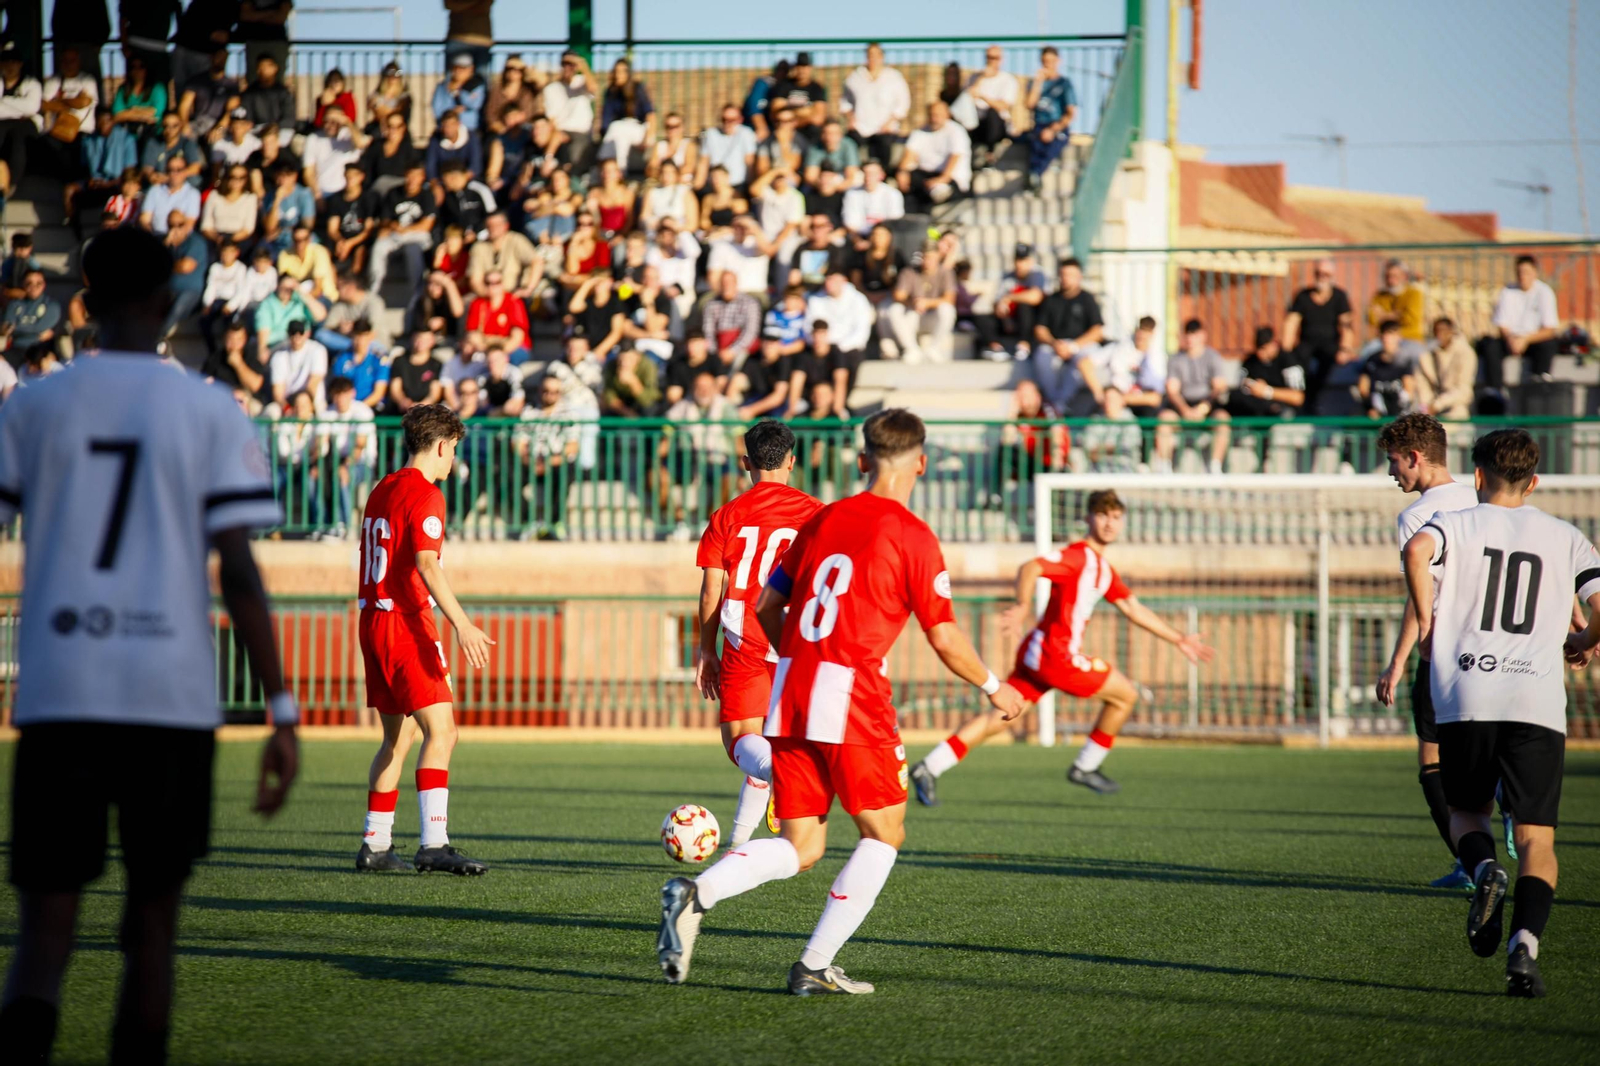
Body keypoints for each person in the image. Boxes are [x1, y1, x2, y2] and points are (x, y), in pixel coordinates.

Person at [0, 225, 298, 1066]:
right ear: (170, 302)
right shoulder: (207, 407)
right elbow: (239, 572)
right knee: (154, 928)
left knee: (46, 932)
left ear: (81, 301)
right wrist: (281, 711)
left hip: (60, 693)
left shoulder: (32, 403)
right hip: (169, 699)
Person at [657, 409, 1026, 995]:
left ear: (860, 462)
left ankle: (698, 892)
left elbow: (767, 609)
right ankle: (813, 964)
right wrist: (993, 686)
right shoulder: (912, 535)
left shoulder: (825, 521)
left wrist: (798, 661)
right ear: (922, 465)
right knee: (884, 833)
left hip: (790, 689)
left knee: (803, 845)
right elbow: (945, 635)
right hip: (852, 695)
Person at [1404, 428, 1600, 997]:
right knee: (1539, 839)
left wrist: (1425, 622)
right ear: (1534, 481)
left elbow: (1418, 551)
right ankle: (1524, 948)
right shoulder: (1566, 537)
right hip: (1536, 702)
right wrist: (1584, 639)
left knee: (1468, 815)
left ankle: (1485, 869)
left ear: (1478, 476)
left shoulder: (1458, 524)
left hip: (1467, 695)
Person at [911, 489, 1213, 802]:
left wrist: (1178, 638)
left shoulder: (1103, 570)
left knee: (1004, 712)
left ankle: (930, 767)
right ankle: (1086, 765)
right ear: (1088, 518)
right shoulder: (1079, 557)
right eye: (1102, 515)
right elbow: (1031, 567)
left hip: (1037, 652)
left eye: (1116, 517)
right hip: (1056, 655)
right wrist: (1023, 605)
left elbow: (1134, 609)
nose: (1110, 523)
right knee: (1126, 695)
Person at [355, 404, 495, 875]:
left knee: (398, 738)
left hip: (372, 622)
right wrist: (463, 624)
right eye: (454, 449)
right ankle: (434, 842)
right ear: (440, 446)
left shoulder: (383, 487)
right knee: (444, 731)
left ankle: (375, 844)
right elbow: (427, 563)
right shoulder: (426, 495)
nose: (453, 458)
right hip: (405, 625)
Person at [692, 420, 822, 847]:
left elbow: (714, 588)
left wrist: (705, 650)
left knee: (742, 743)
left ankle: (783, 774)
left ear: (745, 462)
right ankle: (738, 845)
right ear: (792, 460)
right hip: (796, 637)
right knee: (769, 742)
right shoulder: (817, 513)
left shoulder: (727, 515)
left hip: (745, 634)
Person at [1373, 413, 1483, 891]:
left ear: (1415, 457)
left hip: (1444, 655)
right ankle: (1507, 806)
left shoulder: (1417, 516)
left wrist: (1398, 663)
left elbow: (1422, 603)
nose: (1392, 472)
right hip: (1499, 652)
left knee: (1433, 762)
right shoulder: (1485, 498)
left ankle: (1471, 865)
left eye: (1394, 462)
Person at [1030, 257, 1104, 417]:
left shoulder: (1087, 299)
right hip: (1056, 345)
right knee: (1042, 355)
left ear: (1079, 277)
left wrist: (1074, 346)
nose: (1066, 278)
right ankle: (1054, 400)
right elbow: (1040, 329)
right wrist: (1055, 343)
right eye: (1063, 274)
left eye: (1070, 275)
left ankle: (1059, 404)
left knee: (1081, 361)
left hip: (1080, 345)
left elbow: (1097, 331)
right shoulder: (1051, 300)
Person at [1156, 318, 1231, 473]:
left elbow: (1218, 388)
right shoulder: (1176, 359)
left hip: (1207, 406)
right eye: (1188, 334)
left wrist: (1203, 408)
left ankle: (1215, 467)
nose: (1191, 339)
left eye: (1195, 334)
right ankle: (1164, 468)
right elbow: (1172, 390)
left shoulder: (1212, 357)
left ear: (1203, 335)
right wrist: (1185, 410)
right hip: (1182, 406)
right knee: (1164, 419)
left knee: (1223, 419)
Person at [1281, 257, 1356, 410]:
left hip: (1329, 346)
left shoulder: (1339, 297)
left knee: (1326, 363)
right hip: (1307, 344)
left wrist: (1345, 349)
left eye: (1326, 274)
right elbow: (1291, 323)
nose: (1322, 277)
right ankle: (1301, 403)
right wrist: (1285, 350)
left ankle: (1316, 403)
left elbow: (1347, 325)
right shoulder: (1302, 296)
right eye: (1318, 273)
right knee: (1297, 361)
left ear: (1332, 276)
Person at [1481, 255, 1559, 392]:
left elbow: (1549, 329)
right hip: (1511, 339)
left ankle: (1538, 383)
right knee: (1491, 346)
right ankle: (1494, 391)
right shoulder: (1507, 291)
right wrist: (1512, 339)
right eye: (1519, 273)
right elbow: (1502, 324)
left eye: (1526, 272)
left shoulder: (1545, 292)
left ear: (1535, 273)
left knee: (1548, 344)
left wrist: (1526, 339)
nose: (1522, 276)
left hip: (1534, 340)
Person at [371, 162, 439, 294]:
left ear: (422, 177)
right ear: (405, 176)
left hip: (417, 234)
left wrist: (406, 230)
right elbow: (384, 219)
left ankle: (418, 291)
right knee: (379, 246)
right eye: (410, 176)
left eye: (416, 176)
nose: (412, 180)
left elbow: (427, 225)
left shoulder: (427, 195)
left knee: (413, 249)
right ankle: (374, 287)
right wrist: (392, 225)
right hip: (396, 233)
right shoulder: (394, 193)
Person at [882, 245, 956, 363]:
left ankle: (934, 349)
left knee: (947, 309)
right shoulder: (909, 271)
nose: (928, 261)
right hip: (913, 314)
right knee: (894, 309)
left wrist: (927, 303)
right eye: (926, 257)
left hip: (932, 316)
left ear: (938, 257)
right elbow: (898, 295)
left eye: (932, 257)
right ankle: (911, 349)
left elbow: (950, 298)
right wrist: (914, 302)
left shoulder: (945, 272)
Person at [840, 43, 910, 167]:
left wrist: (891, 122)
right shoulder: (855, 77)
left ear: (882, 56)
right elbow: (845, 102)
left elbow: (903, 102)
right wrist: (851, 119)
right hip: (861, 128)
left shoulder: (894, 77)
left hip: (885, 129)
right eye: (869, 55)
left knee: (885, 147)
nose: (872, 58)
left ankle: (883, 176)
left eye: (876, 55)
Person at [896, 101, 971, 213]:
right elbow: (909, 154)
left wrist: (942, 179)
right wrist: (902, 172)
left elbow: (955, 157)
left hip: (950, 178)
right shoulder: (920, 132)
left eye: (938, 115)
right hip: (925, 176)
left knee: (935, 193)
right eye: (932, 115)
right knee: (908, 188)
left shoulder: (956, 131)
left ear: (947, 115)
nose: (934, 118)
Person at [1023, 46, 1076, 193]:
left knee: (1053, 143)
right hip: (1039, 125)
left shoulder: (1064, 84)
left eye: (1051, 61)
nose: (1048, 65)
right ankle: (1034, 177)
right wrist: (1038, 82)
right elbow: (1029, 104)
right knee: (1035, 142)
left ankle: (1035, 174)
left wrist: (1054, 129)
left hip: (1056, 125)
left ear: (1058, 61)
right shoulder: (1035, 83)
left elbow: (1071, 112)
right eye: (1045, 62)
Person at [965, 46, 1019, 169]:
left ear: (1001, 59)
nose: (991, 61)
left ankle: (990, 154)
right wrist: (981, 78)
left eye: (995, 58)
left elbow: (1003, 106)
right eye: (989, 57)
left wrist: (983, 97)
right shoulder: (974, 78)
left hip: (996, 125)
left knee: (992, 113)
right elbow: (967, 99)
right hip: (976, 123)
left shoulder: (1008, 80)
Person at [1416, 317, 1478, 421]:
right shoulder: (1428, 355)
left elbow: (1464, 390)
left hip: (1456, 409)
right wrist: (1426, 407)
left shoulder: (1465, 353)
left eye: (1443, 331)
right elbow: (1422, 385)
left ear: (1451, 332)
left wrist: (1438, 404)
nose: (1439, 335)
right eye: (1436, 331)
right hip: (1432, 411)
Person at [1358, 319, 1417, 418]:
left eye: (1391, 334)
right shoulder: (1372, 360)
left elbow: (1409, 390)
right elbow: (1363, 388)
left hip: (1399, 414)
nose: (1387, 339)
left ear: (1398, 337)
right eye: (1384, 334)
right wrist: (1372, 407)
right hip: (1377, 414)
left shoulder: (1404, 361)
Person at [1367, 258, 1424, 343]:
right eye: (1387, 276)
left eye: (1395, 276)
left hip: (1409, 339)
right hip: (1383, 340)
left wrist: (1384, 315)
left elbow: (1411, 319)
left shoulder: (1414, 294)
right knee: (1368, 352)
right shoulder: (1379, 296)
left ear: (1405, 276)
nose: (1390, 280)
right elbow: (1372, 318)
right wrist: (1397, 314)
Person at [432, 52, 488, 134]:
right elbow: (437, 110)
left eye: (463, 68)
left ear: (471, 69)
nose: (458, 71)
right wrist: (452, 112)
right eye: (455, 68)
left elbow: (475, 105)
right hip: (447, 130)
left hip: (470, 129)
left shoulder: (477, 86)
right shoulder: (442, 87)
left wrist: (462, 92)